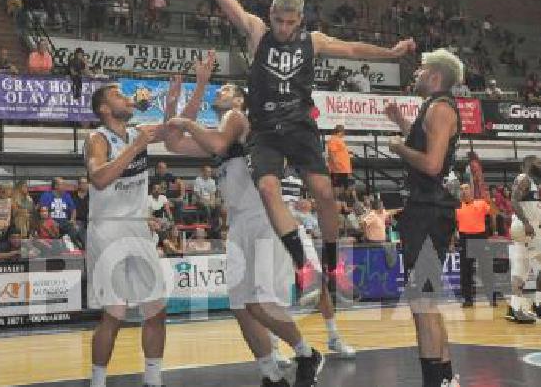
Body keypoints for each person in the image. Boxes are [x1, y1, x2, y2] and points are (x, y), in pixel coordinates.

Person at [203, 0, 416, 306]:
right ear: (271, 14)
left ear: (300, 20)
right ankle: (305, 267)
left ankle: (333, 266)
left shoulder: (312, 41)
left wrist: (391, 54)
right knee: (268, 189)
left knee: (323, 192)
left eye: (290, 22)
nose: (283, 28)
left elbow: (352, 49)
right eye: (279, 20)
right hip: (265, 130)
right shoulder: (256, 31)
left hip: (300, 126)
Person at [163, 59, 351, 387]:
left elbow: (215, 142)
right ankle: (270, 372)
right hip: (239, 224)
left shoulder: (237, 119)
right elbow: (173, 142)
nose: (220, 93)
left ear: (239, 100)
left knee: (260, 305)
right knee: (240, 307)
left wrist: (184, 118)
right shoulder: (220, 129)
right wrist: (186, 95)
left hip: (265, 219)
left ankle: (307, 354)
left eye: (224, 89)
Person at [384, 48, 465, 387]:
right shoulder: (433, 109)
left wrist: (398, 147)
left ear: (434, 76)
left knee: (423, 302)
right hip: (428, 209)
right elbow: (430, 146)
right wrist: (402, 124)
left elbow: (432, 165)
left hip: (429, 210)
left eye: (420, 69)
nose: (415, 73)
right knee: (425, 301)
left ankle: (435, 381)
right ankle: (445, 378)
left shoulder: (441, 109)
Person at [83, 83, 167, 387]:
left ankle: (154, 380)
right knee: (114, 313)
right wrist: (136, 146)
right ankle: (98, 381)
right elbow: (101, 178)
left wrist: (176, 94)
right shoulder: (97, 138)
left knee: (156, 309)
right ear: (104, 109)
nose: (125, 97)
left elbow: (173, 130)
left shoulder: (138, 131)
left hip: (138, 229)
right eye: (117, 95)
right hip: (108, 228)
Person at [506, 156, 541, 324]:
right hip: (525, 228)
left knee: (521, 269)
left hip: (528, 228)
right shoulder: (524, 178)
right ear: (528, 165)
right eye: (538, 163)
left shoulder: (533, 183)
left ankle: (515, 308)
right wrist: (527, 223)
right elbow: (514, 200)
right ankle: (537, 305)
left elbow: (529, 208)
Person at [454, 184, 495, 308]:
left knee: (486, 270)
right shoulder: (456, 207)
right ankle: (468, 299)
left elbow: (494, 212)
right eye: (461, 189)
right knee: (465, 271)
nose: (463, 191)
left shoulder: (481, 203)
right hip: (464, 239)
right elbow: (453, 224)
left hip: (480, 238)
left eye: (466, 188)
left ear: (471, 191)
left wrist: (490, 201)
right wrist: (451, 242)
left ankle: (491, 298)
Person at [326, 124, 353, 200]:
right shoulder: (333, 139)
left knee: (343, 186)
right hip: (338, 168)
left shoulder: (338, 140)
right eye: (343, 132)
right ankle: (337, 201)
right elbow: (332, 152)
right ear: (340, 132)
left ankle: (341, 202)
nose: (344, 134)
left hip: (343, 168)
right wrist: (336, 165)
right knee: (337, 185)